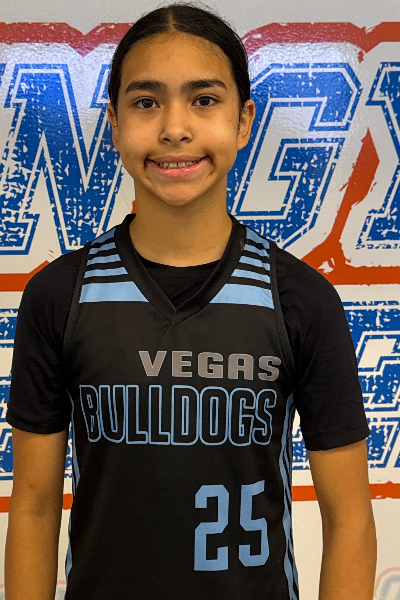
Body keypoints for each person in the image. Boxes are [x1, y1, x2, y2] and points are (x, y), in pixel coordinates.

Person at [5, 3, 376, 599]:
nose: (174, 128)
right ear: (114, 122)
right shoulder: (60, 296)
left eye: (204, 99)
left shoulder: (301, 300)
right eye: (145, 102)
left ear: (243, 120)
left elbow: (350, 520)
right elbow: (33, 506)